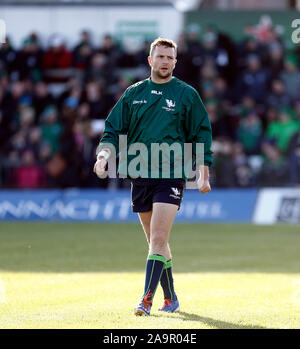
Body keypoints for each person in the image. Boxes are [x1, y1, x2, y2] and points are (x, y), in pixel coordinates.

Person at [93, 38, 213, 316]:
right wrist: (103, 156)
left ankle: (145, 301)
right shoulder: (134, 93)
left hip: (171, 175)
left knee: (158, 238)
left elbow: (202, 134)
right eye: (160, 56)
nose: (165, 62)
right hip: (140, 175)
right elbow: (113, 129)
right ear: (150, 60)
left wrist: (204, 173)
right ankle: (171, 298)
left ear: (175, 62)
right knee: (155, 242)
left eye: (170, 58)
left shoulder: (186, 94)